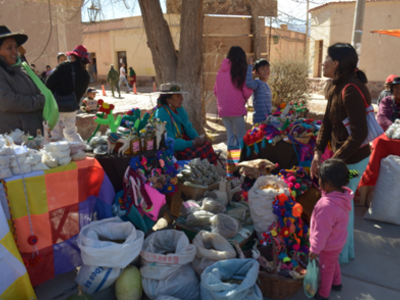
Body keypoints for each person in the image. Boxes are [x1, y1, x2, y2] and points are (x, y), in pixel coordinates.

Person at [311, 43, 371, 265]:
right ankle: (341, 254)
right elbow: (327, 122)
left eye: (326, 58)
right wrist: (318, 153)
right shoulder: (337, 86)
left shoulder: (351, 90)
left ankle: (339, 257)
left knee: (341, 203)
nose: (322, 62)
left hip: (355, 161)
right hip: (342, 158)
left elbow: (359, 134)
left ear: (336, 63)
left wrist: (333, 163)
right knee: (341, 202)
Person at [309, 159, 355, 300]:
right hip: (337, 242)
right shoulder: (342, 197)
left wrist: (315, 250)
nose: (318, 181)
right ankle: (337, 283)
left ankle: (323, 294)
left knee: (326, 269)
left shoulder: (327, 206)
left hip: (327, 246)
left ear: (327, 183)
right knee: (333, 263)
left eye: (320, 178)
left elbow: (321, 232)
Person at [154, 83, 217, 165]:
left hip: (181, 141)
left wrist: (196, 137)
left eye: (181, 96)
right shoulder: (162, 114)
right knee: (194, 154)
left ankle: (208, 172)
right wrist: (192, 143)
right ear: (168, 100)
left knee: (206, 145)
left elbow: (188, 127)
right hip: (171, 148)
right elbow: (170, 142)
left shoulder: (179, 109)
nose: (182, 98)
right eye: (178, 96)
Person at [0, 25, 44, 135]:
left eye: (15, 47)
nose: (15, 52)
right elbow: (7, 102)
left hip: (32, 135)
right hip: (13, 139)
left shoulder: (22, 69)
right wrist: (40, 101)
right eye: (9, 48)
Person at [46, 44, 90, 142]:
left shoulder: (64, 66)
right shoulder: (86, 75)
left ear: (73, 56)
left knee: (56, 133)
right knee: (70, 132)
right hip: (72, 107)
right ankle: (80, 151)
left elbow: (48, 83)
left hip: (58, 106)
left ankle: (61, 155)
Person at [214, 46, 253, 146]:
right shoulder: (240, 71)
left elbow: (215, 91)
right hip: (236, 109)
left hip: (223, 110)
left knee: (230, 136)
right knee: (241, 136)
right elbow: (247, 91)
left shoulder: (220, 72)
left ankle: (230, 160)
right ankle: (240, 160)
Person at [246, 57, 272, 125]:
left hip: (268, 118)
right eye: (262, 69)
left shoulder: (267, 85)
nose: (265, 71)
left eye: (267, 68)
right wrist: (250, 66)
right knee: (259, 135)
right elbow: (249, 83)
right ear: (256, 72)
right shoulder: (257, 83)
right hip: (259, 118)